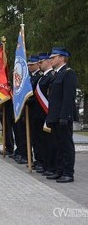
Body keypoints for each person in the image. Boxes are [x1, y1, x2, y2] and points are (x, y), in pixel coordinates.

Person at [46, 47, 78, 183]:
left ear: (62, 58)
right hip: (54, 117)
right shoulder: (56, 75)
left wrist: (65, 116)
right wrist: (50, 117)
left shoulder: (68, 74)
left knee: (66, 146)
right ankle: (59, 170)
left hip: (63, 117)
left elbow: (68, 98)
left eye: (53, 57)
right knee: (57, 145)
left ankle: (68, 173)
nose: (51, 60)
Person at [34, 52, 55, 175]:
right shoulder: (42, 77)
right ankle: (43, 163)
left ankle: (48, 165)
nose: (39, 64)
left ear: (47, 62)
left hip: (45, 113)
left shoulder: (51, 76)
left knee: (48, 142)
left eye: (41, 62)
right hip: (38, 114)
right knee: (40, 141)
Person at [27, 55, 44, 169]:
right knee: (35, 139)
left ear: (37, 64)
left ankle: (41, 161)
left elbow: (38, 96)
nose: (29, 67)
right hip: (32, 112)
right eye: (28, 65)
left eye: (31, 65)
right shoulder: (30, 77)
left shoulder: (40, 77)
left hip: (39, 111)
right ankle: (37, 160)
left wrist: (28, 100)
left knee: (40, 140)